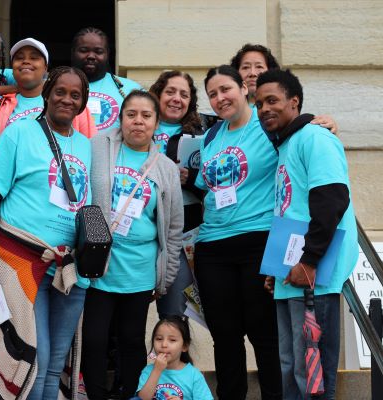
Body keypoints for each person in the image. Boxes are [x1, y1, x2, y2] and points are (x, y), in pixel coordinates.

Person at [0, 66, 92, 400]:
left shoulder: (86, 146)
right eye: (61, 91)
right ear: (48, 93)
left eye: (75, 95)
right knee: (33, 359)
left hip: (69, 268)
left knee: (55, 366)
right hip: (22, 261)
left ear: (83, 104)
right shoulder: (19, 133)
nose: (67, 99)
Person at [256, 69, 358, 399]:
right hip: (292, 277)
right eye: (258, 104)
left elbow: (332, 200)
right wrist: (277, 268)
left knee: (312, 375)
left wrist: (309, 260)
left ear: (294, 102)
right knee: (290, 367)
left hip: (316, 276)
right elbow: (291, 209)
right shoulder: (286, 145)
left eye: (272, 100)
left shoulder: (315, 138)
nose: (264, 109)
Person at [82, 90, 184, 399]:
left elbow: (174, 228)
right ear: (121, 118)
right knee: (95, 340)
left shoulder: (166, 168)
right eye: (131, 114)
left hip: (139, 270)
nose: (138, 121)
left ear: (156, 123)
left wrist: (165, 277)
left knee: (131, 340)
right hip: (99, 268)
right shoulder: (98, 147)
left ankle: (131, 394)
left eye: (146, 116)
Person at [194, 65, 281, 400]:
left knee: (265, 335)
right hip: (212, 247)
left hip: (258, 241)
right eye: (213, 94)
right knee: (226, 337)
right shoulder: (212, 136)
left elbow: (303, 131)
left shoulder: (268, 123)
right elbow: (206, 185)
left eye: (225, 89)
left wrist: (325, 121)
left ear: (245, 88)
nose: (219, 98)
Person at [148, 71, 205, 319]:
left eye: (184, 94)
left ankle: (174, 359)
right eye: (170, 91)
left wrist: (189, 180)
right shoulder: (140, 125)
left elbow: (215, 185)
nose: (176, 99)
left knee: (174, 316)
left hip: (182, 237)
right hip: (142, 233)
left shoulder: (205, 133)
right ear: (158, 94)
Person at [0, 37, 96, 142]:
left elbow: (92, 150)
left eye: (34, 58)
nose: (26, 61)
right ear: (12, 68)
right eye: (19, 58)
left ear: (45, 67)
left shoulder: (70, 105)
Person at [230, 43, 337, 133]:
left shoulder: (282, 110)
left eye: (259, 66)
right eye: (245, 67)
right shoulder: (224, 115)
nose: (252, 73)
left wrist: (326, 125)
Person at [71, 27, 143, 135]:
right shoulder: (56, 88)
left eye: (98, 51)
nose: (91, 56)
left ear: (108, 54)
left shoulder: (131, 89)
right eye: (84, 50)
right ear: (73, 52)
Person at [136, 316, 213, 400]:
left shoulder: (194, 375)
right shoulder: (148, 370)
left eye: (172, 340)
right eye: (159, 339)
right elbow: (142, 398)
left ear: (184, 346)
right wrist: (157, 370)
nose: (164, 344)